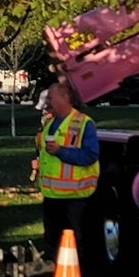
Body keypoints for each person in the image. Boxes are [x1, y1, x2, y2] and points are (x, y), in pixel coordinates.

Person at [34, 82, 99, 260]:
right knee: (52, 239)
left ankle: (77, 274)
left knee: (74, 240)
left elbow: (90, 155)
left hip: (74, 196)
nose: (47, 101)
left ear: (65, 98)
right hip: (51, 195)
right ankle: (53, 271)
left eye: (51, 97)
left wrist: (61, 151)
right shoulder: (49, 124)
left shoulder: (83, 124)